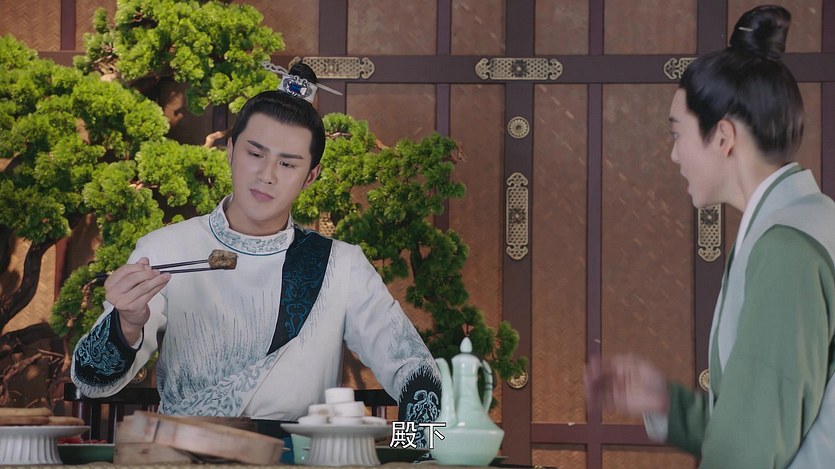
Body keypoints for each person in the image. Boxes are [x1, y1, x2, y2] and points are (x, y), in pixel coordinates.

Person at [71, 63, 441, 455]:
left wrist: (420, 455)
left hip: (299, 457)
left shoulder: (340, 264)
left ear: (310, 176)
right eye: (255, 153)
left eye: (287, 163)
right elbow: (92, 381)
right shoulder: (165, 249)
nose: (267, 175)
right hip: (183, 455)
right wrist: (127, 322)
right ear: (231, 150)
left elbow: (416, 370)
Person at [586, 5, 835, 468]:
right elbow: (769, 420)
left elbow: (750, 450)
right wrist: (667, 403)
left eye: (677, 134)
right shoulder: (811, 223)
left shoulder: (787, 249)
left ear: (723, 137)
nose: (675, 155)